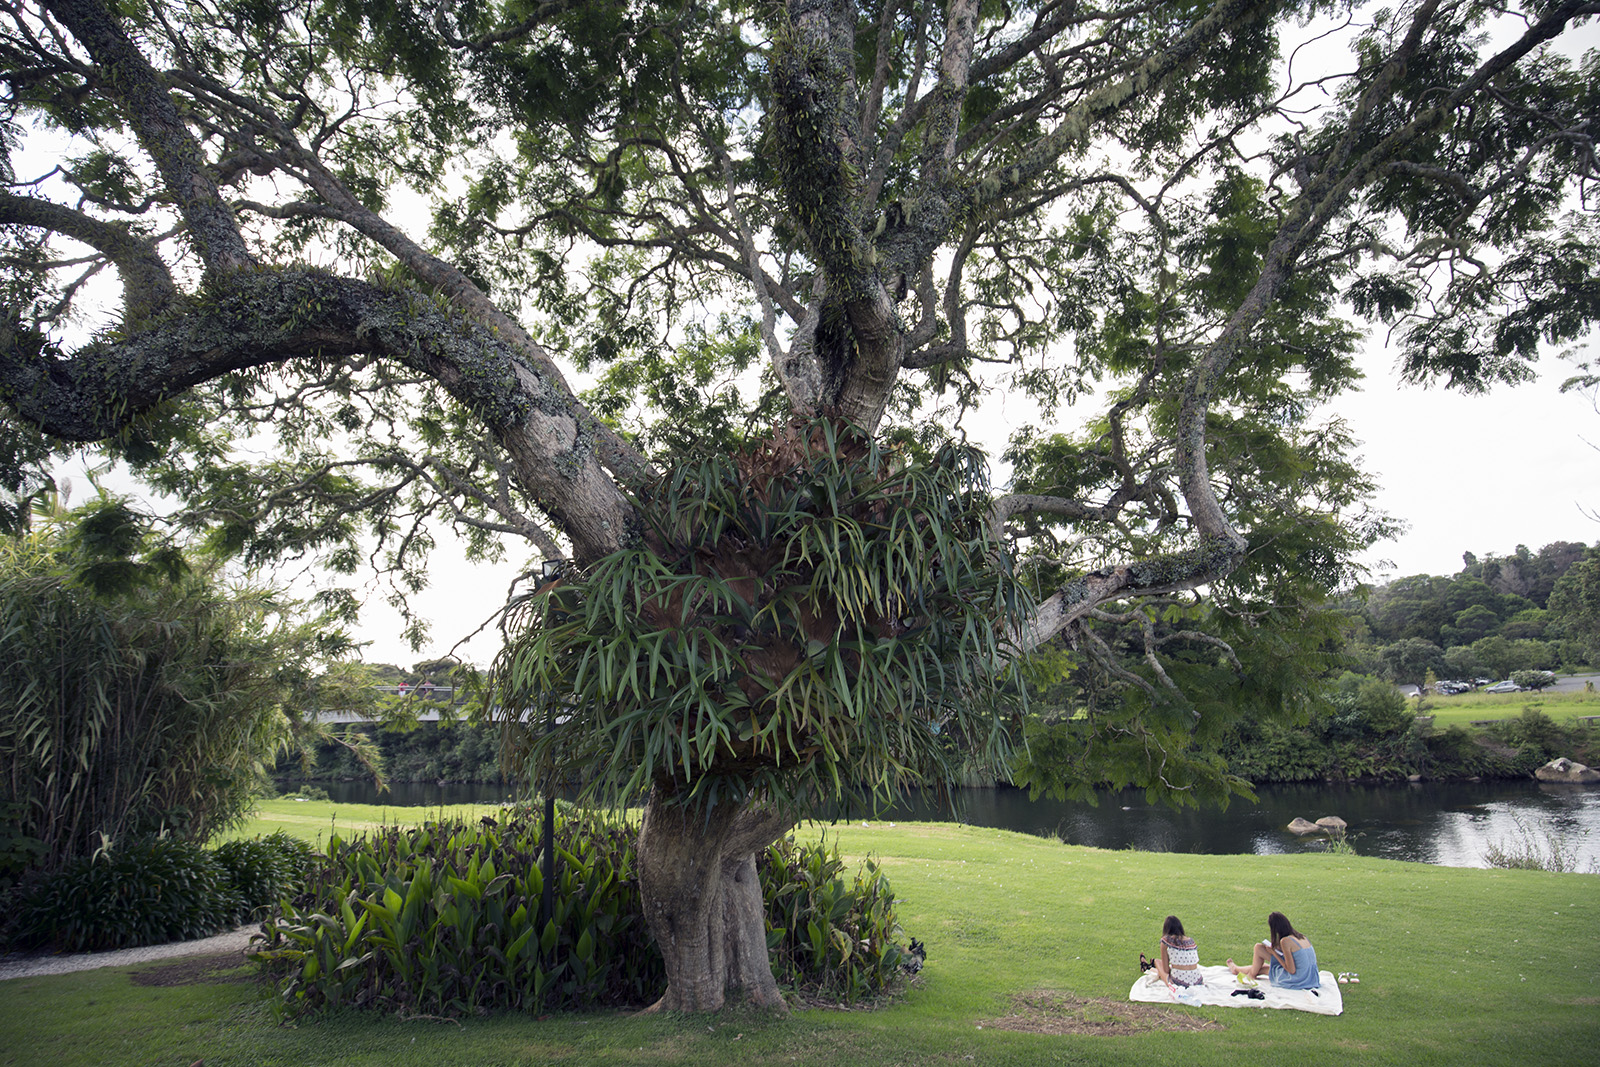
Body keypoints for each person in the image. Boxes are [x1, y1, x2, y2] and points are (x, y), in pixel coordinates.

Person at [1229, 911, 1320, 990]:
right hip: (1310, 977)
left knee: (1264, 966)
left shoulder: (1285, 941)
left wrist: (1274, 953)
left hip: (1297, 979)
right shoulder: (1301, 937)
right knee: (1260, 954)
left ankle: (1245, 973)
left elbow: (1291, 970)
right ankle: (1239, 970)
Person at [1153, 915, 1203, 988]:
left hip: (1179, 983)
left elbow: (1166, 970)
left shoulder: (1165, 941)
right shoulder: (1191, 941)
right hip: (1198, 981)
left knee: (1157, 962)